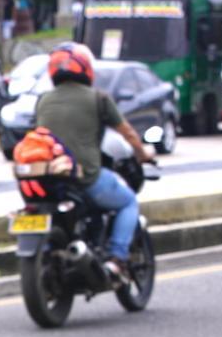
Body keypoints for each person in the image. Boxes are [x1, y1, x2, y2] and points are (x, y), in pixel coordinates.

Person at [34, 42, 154, 281]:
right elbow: (127, 133)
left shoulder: (44, 100)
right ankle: (116, 259)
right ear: (86, 69)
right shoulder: (98, 99)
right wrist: (143, 154)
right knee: (128, 201)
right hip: (85, 177)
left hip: (48, 180)